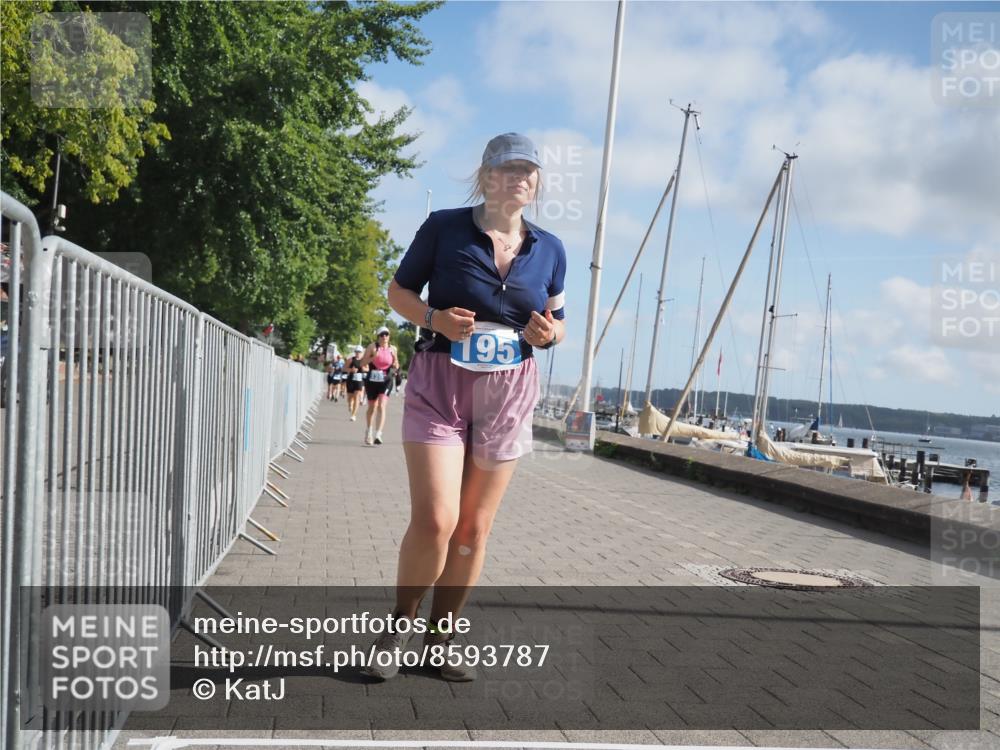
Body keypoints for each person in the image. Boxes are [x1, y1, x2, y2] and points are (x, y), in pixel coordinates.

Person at [361, 133, 566, 681]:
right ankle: (398, 626)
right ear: (486, 176)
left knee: (472, 529)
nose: (519, 178)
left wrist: (550, 336)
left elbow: (557, 320)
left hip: (508, 389)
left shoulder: (549, 247)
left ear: (538, 182)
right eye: (507, 169)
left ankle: (441, 640)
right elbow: (398, 293)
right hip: (439, 381)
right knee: (436, 519)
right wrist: (434, 320)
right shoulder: (445, 228)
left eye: (529, 170)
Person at [358, 326, 399, 445]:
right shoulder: (372, 347)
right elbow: (362, 363)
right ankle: (369, 431)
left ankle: (378, 434)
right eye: (382, 335)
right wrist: (373, 357)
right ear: (378, 336)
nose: (384, 337)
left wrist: (396, 365)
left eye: (386, 334)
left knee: (382, 405)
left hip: (386, 380)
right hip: (372, 380)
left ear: (389, 336)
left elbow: (396, 363)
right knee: (372, 407)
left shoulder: (393, 349)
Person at [345, 345, 366, 421]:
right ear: (355, 352)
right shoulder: (350, 360)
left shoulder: (364, 361)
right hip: (351, 380)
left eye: (359, 352)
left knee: (357, 396)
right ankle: (350, 404)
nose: (358, 353)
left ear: (362, 353)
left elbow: (368, 369)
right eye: (357, 352)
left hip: (359, 380)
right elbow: (344, 368)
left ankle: (353, 415)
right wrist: (351, 370)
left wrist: (364, 368)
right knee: (350, 397)